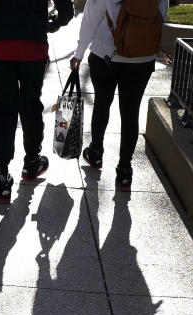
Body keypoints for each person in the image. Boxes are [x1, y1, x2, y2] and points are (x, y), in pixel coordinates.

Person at [0, 0, 74, 203]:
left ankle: (2, 177)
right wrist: (53, 23)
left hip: (0, 49)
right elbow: (66, 10)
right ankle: (32, 162)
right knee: (31, 105)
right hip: (34, 48)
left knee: (2, 112)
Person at [71, 0, 168, 191]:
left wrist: (79, 53)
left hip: (105, 55)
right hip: (142, 58)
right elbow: (161, 14)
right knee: (131, 113)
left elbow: (91, 18)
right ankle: (124, 171)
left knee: (102, 103)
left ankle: (96, 152)